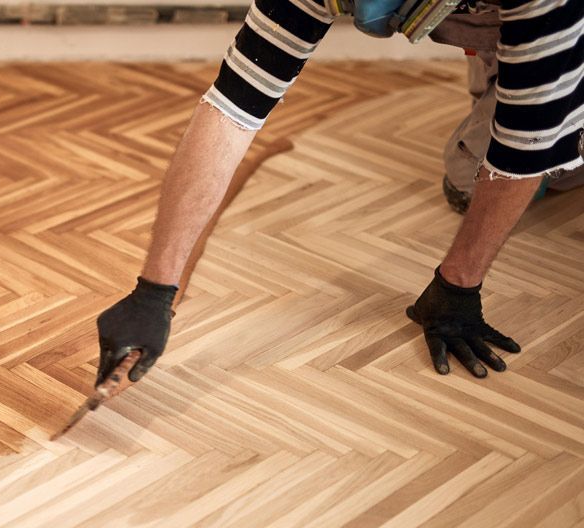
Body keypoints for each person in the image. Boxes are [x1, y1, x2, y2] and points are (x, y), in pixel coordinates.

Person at [95, 0, 583, 385]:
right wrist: (154, 291)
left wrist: (457, 286)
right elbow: (232, 107)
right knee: (467, 179)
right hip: (499, 18)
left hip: (554, 23)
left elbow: (524, 147)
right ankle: (507, 56)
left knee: (550, 150)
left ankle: (536, 73)